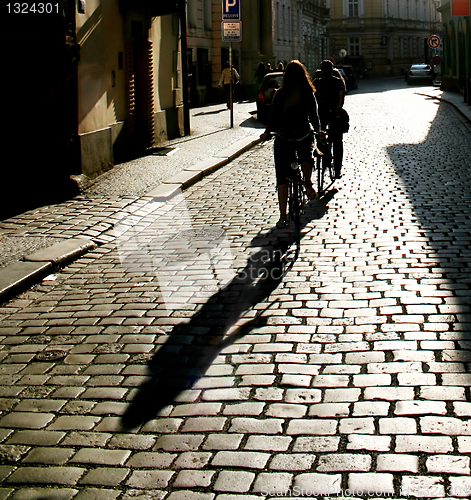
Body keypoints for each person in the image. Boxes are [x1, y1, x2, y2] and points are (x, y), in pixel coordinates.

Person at [260, 60, 321, 229]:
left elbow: (273, 116)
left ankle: (282, 215)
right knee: (306, 157)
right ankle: (307, 183)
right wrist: (318, 130)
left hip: (283, 137)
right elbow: (314, 115)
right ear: (303, 75)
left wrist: (267, 132)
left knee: (282, 176)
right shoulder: (308, 93)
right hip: (302, 135)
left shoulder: (280, 93)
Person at [312, 59, 346, 179]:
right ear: (332, 70)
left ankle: (323, 155)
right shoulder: (339, 82)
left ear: (321, 71)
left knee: (320, 137)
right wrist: (338, 107)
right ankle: (337, 170)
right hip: (334, 115)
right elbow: (341, 98)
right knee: (337, 143)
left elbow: (312, 100)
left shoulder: (316, 82)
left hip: (321, 115)